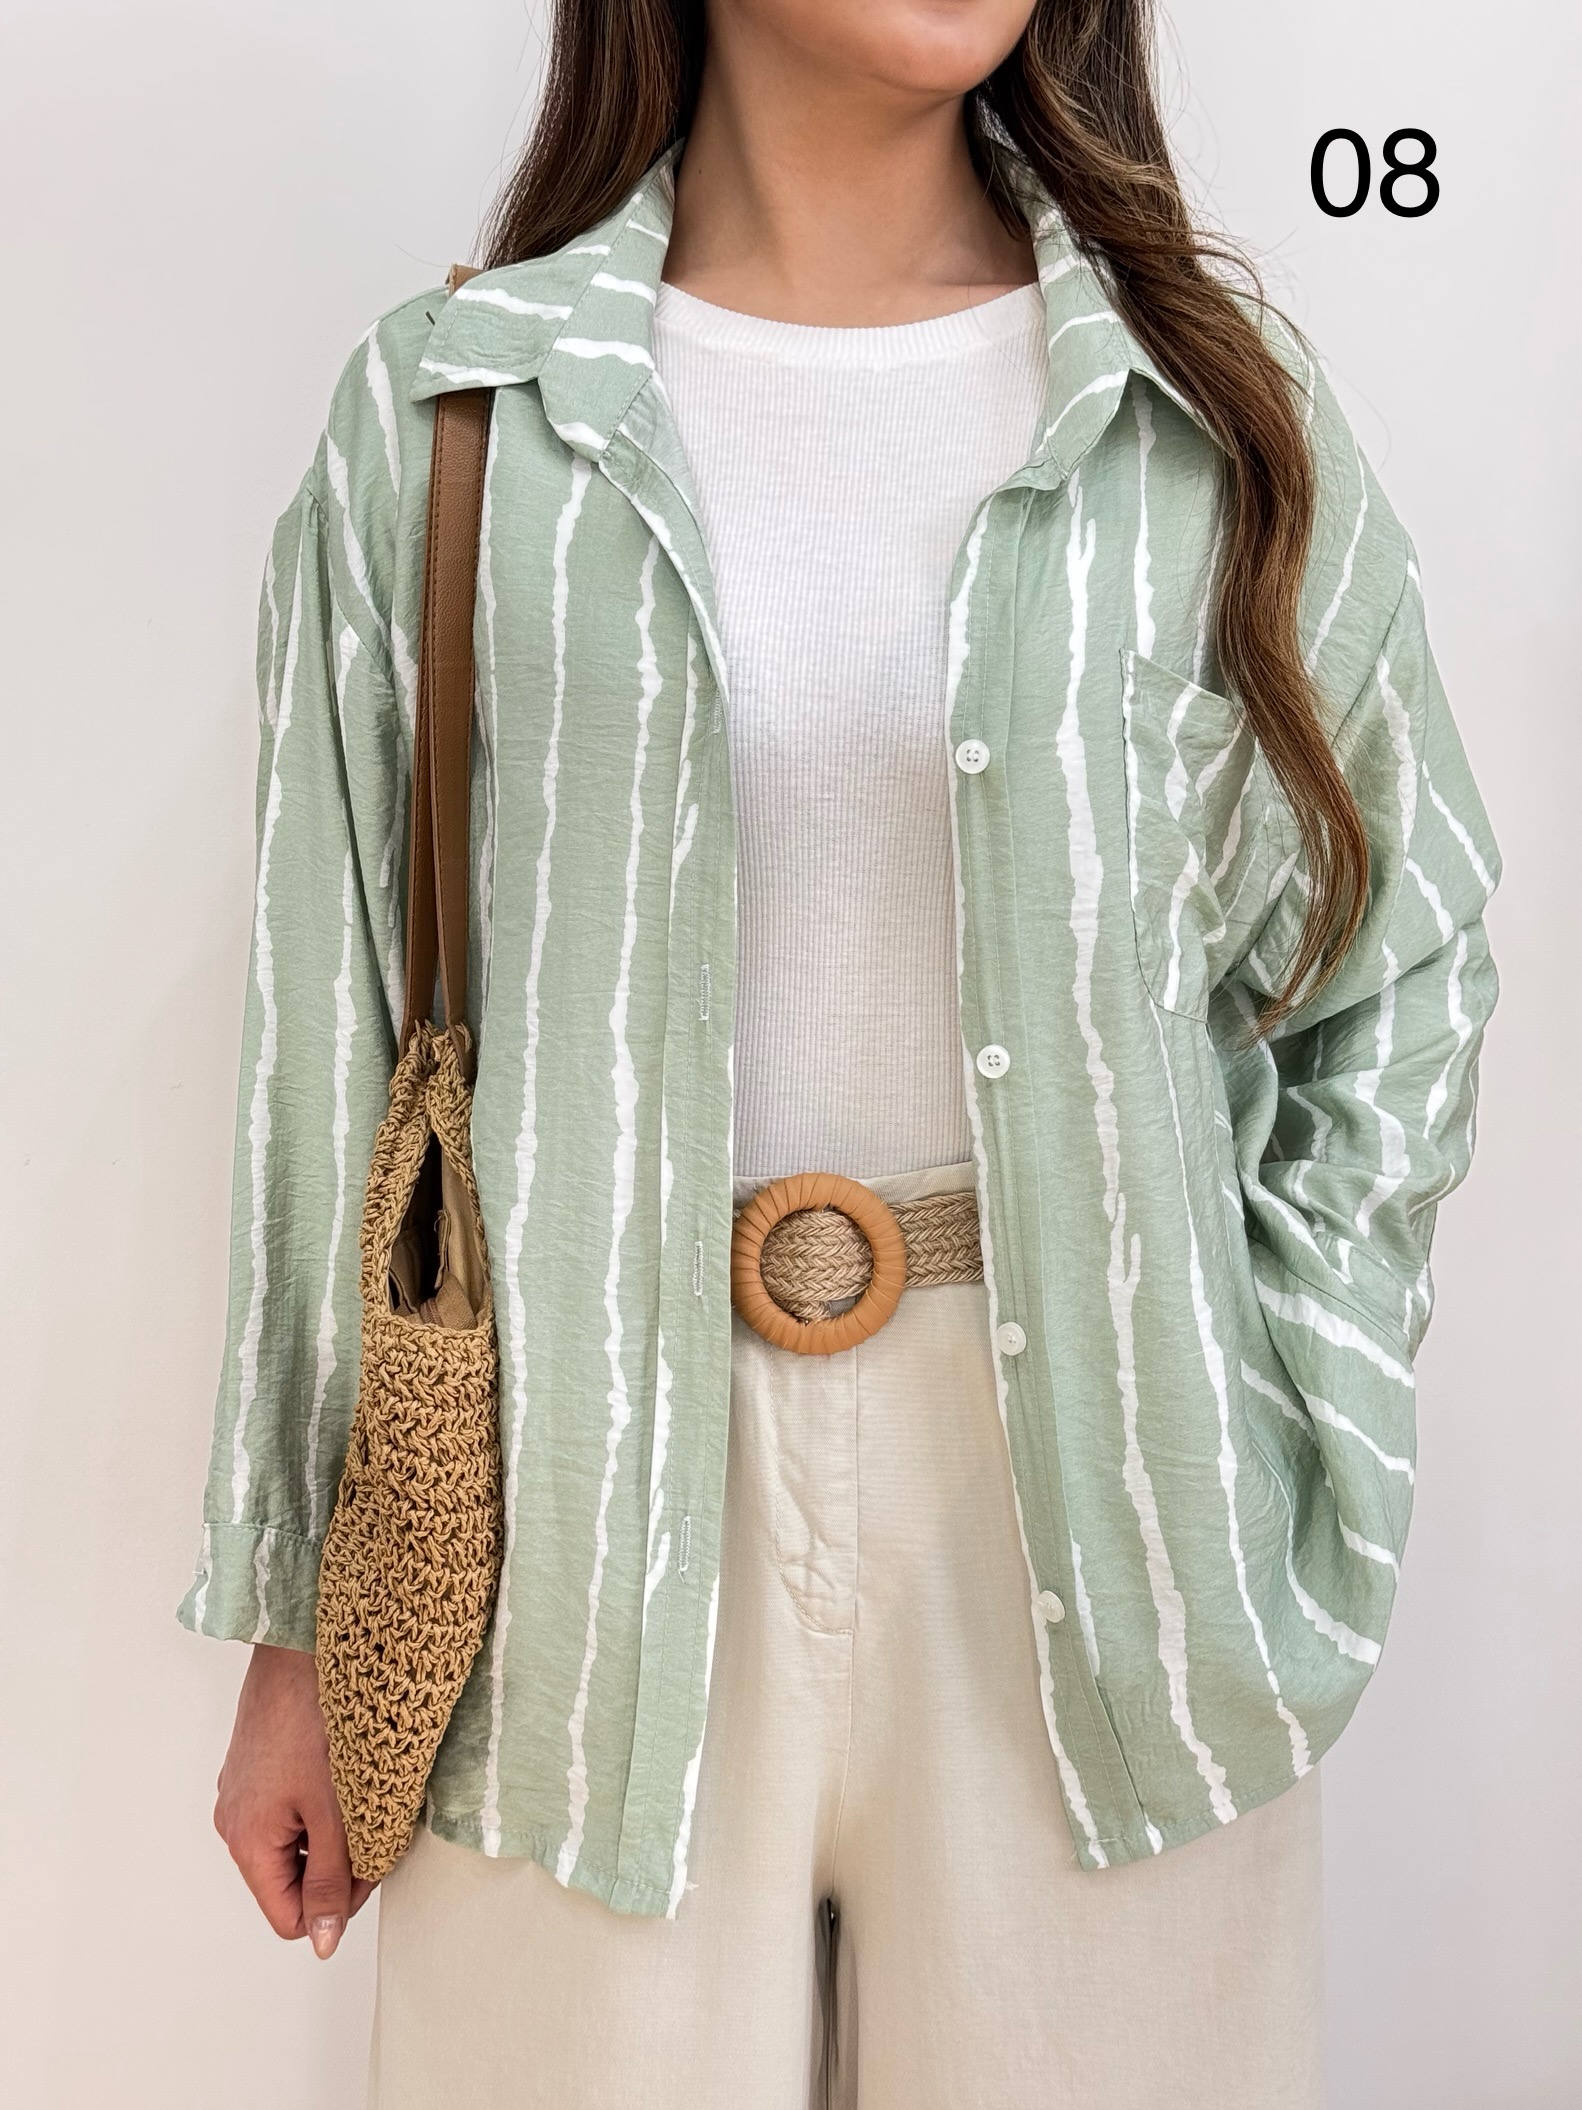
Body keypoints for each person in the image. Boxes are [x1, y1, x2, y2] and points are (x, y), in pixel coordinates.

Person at [184, 1, 1500, 2103]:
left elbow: (1392, 952)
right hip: (568, 1539)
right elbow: (334, 1038)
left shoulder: (1203, 413)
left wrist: (1286, 1399)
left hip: (1112, 1524)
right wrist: (306, 1614)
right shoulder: (454, 413)